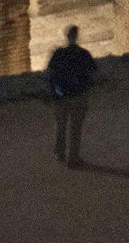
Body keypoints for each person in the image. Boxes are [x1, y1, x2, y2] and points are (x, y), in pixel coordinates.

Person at [47, 24, 97, 168]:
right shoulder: (83, 54)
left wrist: (54, 92)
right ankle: (73, 158)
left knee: (61, 126)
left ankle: (60, 152)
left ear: (66, 36)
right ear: (77, 36)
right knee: (75, 129)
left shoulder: (58, 53)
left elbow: (50, 73)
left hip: (60, 97)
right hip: (77, 96)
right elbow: (92, 72)